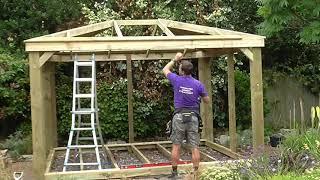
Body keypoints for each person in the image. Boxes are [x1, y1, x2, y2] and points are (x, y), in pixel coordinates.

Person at [162, 52, 210, 178]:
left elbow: (165, 69)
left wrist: (175, 59)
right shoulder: (198, 84)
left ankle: (174, 173)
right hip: (193, 117)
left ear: (182, 71)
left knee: (176, 145)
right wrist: (198, 97)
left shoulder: (176, 80)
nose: (178, 70)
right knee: (194, 146)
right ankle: (195, 174)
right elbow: (207, 100)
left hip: (179, 116)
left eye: (179, 68)